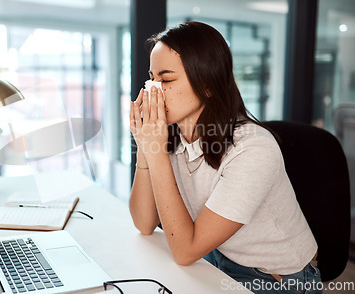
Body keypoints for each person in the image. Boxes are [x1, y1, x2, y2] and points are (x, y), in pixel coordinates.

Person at [129, 21, 321, 294]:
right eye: (152, 79)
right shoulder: (171, 136)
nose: (153, 91)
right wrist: (146, 148)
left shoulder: (253, 149)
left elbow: (185, 251)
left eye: (167, 79)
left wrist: (156, 150)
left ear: (207, 85)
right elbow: (144, 223)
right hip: (216, 257)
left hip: (274, 278)